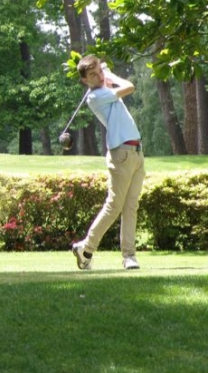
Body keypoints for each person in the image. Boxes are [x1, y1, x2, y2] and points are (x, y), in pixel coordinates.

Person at [72, 56, 145, 270]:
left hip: (137, 151)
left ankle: (129, 256)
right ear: (86, 81)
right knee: (114, 205)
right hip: (121, 152)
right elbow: (130, 86)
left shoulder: (104, 89)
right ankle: (86, 247)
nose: (99, 76)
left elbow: (115, 86)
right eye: (93, 75)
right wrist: (111, 75)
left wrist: (106, 76)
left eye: (99, 71)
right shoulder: (96, 96)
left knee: (131, 206)